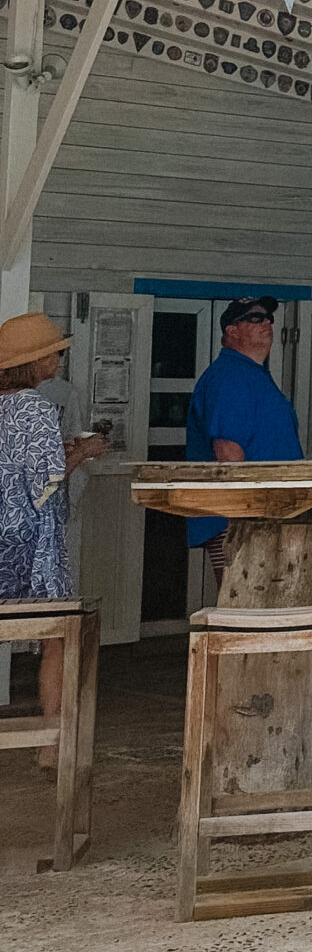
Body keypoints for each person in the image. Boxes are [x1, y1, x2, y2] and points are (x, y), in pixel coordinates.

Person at [0, 312, 105, 766]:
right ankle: (51, 745)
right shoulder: (36, 407)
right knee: (57, 638)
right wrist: (83, 451)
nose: (59, 359)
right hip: (32, 544)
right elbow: (46, 482)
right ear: (36, 360)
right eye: (54, 352)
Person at [183, 295, 303, 565]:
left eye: (269, 318)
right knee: (242, 603)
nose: (266, 323)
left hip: (269, 515)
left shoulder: (255, 374)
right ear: (232, 330)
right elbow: (228, 451)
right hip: (242, 521)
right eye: (255, 318)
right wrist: (246, 518)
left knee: (268, 604)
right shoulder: (230, 376)